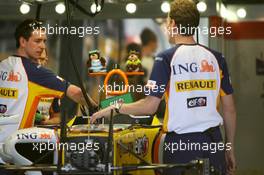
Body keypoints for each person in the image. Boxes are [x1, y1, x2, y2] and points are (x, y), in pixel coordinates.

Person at [91, 0, 236, 175]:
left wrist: (115, 107)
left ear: (173, 23)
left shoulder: (166, 58)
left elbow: (150, 106)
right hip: (214, 143)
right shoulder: (217, 58)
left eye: (167, 22)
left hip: (181, 145)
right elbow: (229, 109)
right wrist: (229, 148)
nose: (167, 26)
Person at [0, 19, 97, 148]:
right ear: (22, 41)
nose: (42, 46)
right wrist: (97, 109)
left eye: (44, 41)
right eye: (37, 41)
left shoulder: (3, 65)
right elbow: (77, 92)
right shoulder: (34, 72)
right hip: (14, 150)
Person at [35, 49, 61, 125]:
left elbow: (57, 118)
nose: (39, 63)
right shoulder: (18, 82)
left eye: (42, 59)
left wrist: (45, 122)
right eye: (36, 59)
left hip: (42, 132)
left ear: (46, 60)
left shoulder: (52, 85)